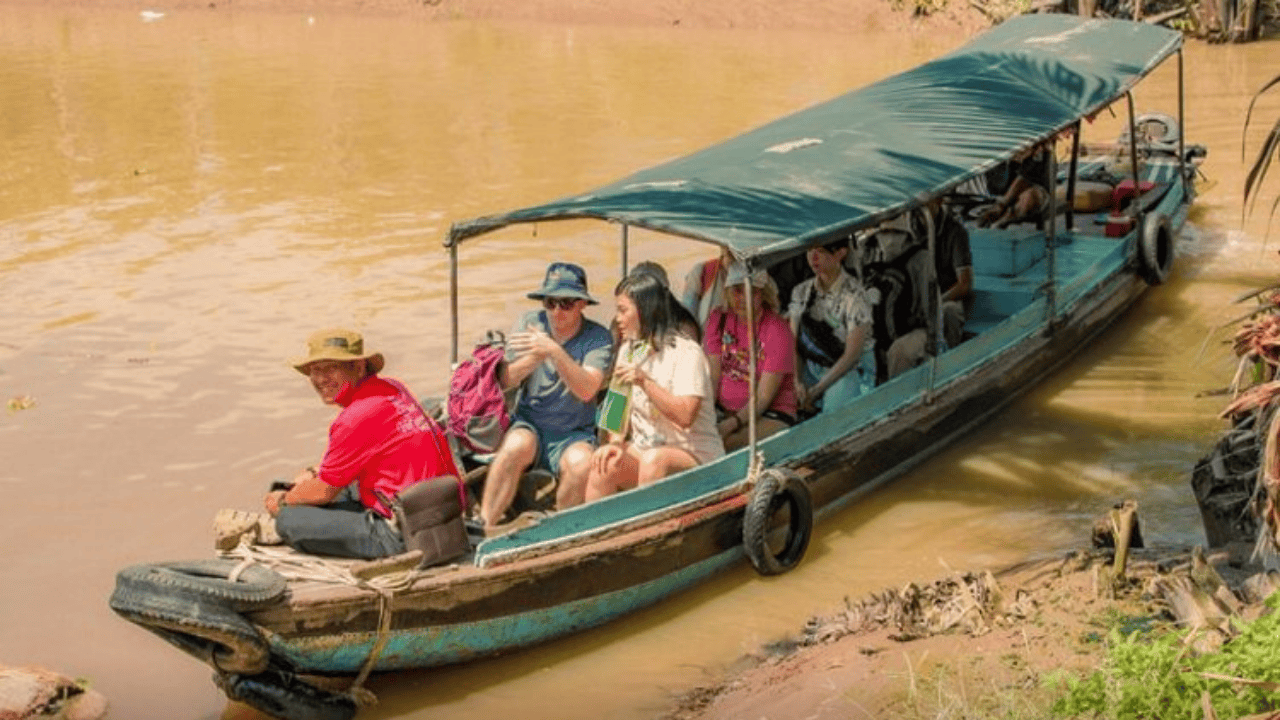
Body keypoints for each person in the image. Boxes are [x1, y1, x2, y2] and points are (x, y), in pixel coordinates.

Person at [260, 328, 462, 559]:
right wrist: (312, 473)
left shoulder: (355, 417)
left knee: (290, 520)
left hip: (407, 534)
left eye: (332, 368)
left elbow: (325, 490)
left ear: (358, 367)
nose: (321, 379)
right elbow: (360, 454)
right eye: (315, 370)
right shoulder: (392, 388)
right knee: (323, 486)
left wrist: (283, 502)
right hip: (441, 509)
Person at [478, 262, 613, 531]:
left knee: (581, 464)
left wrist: (553, 350)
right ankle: (485, 525)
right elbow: (506, 380)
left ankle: (560, 530)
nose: (557, 312)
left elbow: (587, 390)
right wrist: (534, 357)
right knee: (513, 447)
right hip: (531, 425)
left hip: (574, 432)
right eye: (550, 303)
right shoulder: (531, 323)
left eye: (566, 304)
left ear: (582, 304)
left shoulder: (598, 338)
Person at [585, 273, 724, 501]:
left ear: (644, 310)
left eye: (623, 310)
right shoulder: (630, 350)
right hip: (647, 449)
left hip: (695, 455)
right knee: (604, 463)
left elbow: (685, 416)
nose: (617, 319)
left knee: (655, 461)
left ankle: (645, 527)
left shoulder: (686, 353)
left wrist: (644, 382)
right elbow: (613, 415)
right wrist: (616, 443)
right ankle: (592, 532)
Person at [704, 263, 797, 451]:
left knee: (722, 445)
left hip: (771, 412)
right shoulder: (718, 319)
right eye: (737, 290)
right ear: (728, 291)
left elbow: (763, 398)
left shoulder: (777, 330)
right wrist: (707, 416)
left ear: (763, 294)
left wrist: (730, 424)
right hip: (726, 411)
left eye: (751, 292)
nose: (743, 298)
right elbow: (713, 377)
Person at [885, 200, 974, 377]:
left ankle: (947, 369)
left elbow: (965, 284)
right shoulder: (907, 229)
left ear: (939, 199)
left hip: (946, 298)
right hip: (915, 299)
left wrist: (936, 303)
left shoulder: (955, 231)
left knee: (949, 312)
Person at [788, 237, 877, 415]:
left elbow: (851, 356)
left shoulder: (854, 296)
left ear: (840, 253)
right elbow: (795, 344)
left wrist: (816, 391)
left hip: (848, 370)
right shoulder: (801, 292)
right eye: (809, 250)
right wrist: (797, 382)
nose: (813, 257)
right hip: (812, 365)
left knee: (834, 411)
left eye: (820, 251)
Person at [979, 139, 1053, 229]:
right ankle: (999, 217)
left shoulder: (1039, 154)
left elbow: (1024, 180)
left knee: (1031, 196)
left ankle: (1004, 220)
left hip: (1036, 192)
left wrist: (1003, 204)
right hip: (1007, 193)